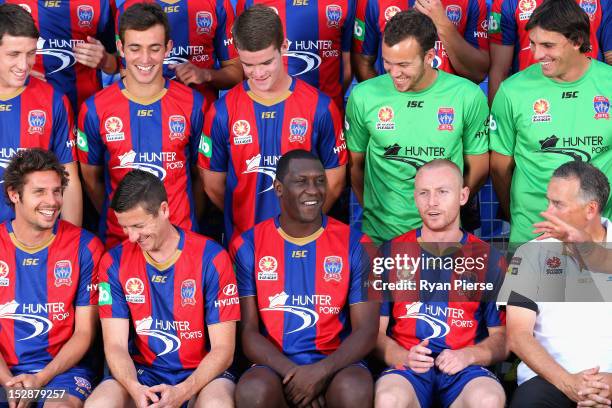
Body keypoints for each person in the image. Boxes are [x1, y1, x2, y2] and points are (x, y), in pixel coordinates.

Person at [231, 149, 378, 408]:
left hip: (337, 363)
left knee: (353, 390)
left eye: (320, 181)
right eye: (301, 182)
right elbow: (248, 332)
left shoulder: (357, 244)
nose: (313, 190)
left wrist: (320, 372)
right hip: (276, 365)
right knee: (253, 391)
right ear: (278, 188)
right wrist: (296, 375)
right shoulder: (247, 245)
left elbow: (366, 331)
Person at [85, 170, 240, 408]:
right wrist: (135, 388)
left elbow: (224, 350)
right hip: (143, 374)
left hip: (203, 374)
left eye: (138, 225)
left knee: (217, 405)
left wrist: (183, 391)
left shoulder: (212, 258)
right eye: (125, 227)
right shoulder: (113, 262)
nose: (132, 236)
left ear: (164, 210)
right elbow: (114, 345)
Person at [199, 5, 347, 243]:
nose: (257, 73)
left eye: (266, 63)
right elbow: (213, 185)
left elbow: (335, 180)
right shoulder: (221, 112)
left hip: (306, 242)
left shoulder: (320, 107)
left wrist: (304, 221)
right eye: (248, 65)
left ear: (284, 47)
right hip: (244, 246)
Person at [346, 10, 489, 243]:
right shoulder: (363, 96)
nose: (394, 73)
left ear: (429, 56)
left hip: (443, 238)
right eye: (387, 63)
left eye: (403, 64)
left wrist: (446, 210)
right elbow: (355, 166)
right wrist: (376, 210)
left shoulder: (467, 96)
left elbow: (479, 167)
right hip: (381, 237)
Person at [374, 159, 507, 408]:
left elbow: (503, 339)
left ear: (463, 195)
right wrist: (404, 356)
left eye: (442, 192)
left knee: (488, 399)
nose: (432, 202)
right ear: (414, 197)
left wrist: (469, 355)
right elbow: (374, 334)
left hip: (464, 370)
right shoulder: (389, 253)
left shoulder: (489, 259)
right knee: (388, 399)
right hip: (408, 368)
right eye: (424, 193)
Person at [78, 2, 206, 248]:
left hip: (181, 242)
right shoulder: (95, 109)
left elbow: (202, 179)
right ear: (120, 48)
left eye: (154, 48)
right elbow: (92, 181)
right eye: (135, 48)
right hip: (120, 245)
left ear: (168, 48)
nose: (145, 59)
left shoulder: (194, 104)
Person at [490, 0, 612, 244]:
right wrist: (519, 213)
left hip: (596, 240)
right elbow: (499, 168)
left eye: (548, 45)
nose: (536, 55)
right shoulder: (512, 91)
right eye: (533, 44)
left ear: (577, 41)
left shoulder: (608, 83)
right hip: (531, 236)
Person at [503, 161, 612, 407]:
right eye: (548, 201)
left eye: (558, 204)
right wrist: (568, 382)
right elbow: (517, 334)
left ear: (590, 209)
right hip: (548, 380)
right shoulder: (531, 253)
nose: (547, 212)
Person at [0, 148, 103, 407]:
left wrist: (40, 379)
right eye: (40, 192)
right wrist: (7, 382)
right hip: (4, 374)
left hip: (61, 375)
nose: (53, 201)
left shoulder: (85, 247)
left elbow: (84, 332)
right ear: (14, 194)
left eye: (57, 191)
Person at [0, 3, 82, 226]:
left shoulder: (53, 101)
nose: (23, 65)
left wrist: (70, 245)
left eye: (30, 53)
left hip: (37, 240)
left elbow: (69, 180)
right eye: (14, 54)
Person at [113, 0, 242, 106]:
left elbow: (236, 74)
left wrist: (206, 75)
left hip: (203, 119)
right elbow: (126, 74)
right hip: (148, 119)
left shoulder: (217, 4)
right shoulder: (128, 8)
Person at [0, 0, 117, 113]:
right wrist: (12, 72)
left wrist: (105, 60)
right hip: (27, 115)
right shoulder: (7, 3)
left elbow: (120, 64)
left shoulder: (102, 3)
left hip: (84, 114)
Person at [237, 0, 355, 112]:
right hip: (265, 114)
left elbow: (347, 67)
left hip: (327, 115)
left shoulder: (346, 3)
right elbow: (247, 62)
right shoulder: (250, 2)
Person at [488, 0, 611, 104]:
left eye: (548, 45)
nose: (537, 54)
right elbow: (499, 70)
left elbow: (610, 59)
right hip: (531, 101)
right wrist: (495, 118)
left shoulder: (604, 2)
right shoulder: (506, 3)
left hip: (590, 99)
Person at [352, 0, 489, 83]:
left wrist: (442, 24)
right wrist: (388, 98)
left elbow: (478, 73)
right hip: (397, 113)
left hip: (448, 111)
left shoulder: (473, 2)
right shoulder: (372, 2)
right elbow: (362, 63)